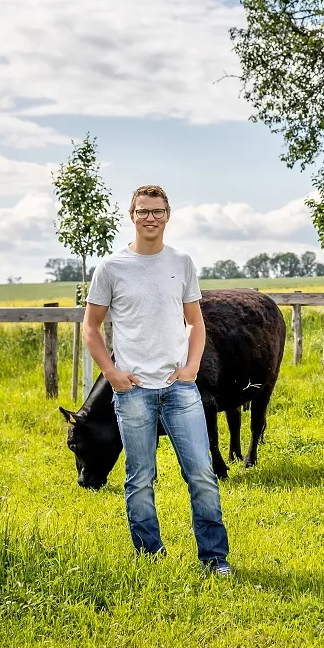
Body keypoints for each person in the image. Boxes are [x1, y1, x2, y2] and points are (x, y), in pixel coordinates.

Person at [81, 184, 232, 576]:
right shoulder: (110, 269)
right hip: (133, 394)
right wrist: (112, 374)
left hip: (180, 390)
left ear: (168, 215)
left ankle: (215, 559)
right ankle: (150, 556)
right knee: (140, 478)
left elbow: (195, 323)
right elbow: (91, 329)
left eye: (158, 211)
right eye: (144, 211)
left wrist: (192, 368)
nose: (151, 217)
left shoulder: (181, 263)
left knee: (201, 473)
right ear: (132, 215)